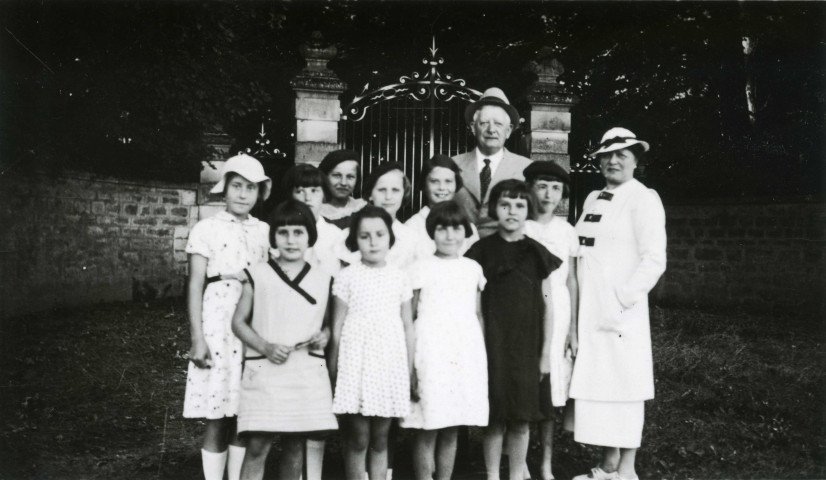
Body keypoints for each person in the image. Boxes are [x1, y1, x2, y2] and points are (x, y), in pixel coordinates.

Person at [569, 127, 666, 480]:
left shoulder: (643, 198)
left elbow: (654, 259)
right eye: (607, 156)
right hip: (589, 312)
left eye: (622, 155)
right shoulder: (593, 197)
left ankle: (627, 469)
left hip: (621, 313)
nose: (613, 161)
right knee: (602, 385)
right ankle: (608, 463)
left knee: (625, 387)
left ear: (635, 162)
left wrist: (622, 299)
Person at [230, 200, 338, 480]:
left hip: (305, 374)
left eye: (298, 232)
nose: (291, 240)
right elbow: (238, 323)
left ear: (310, 237)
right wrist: (265, 346)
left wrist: (323, 337)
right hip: (266, 372)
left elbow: (327, 325)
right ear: (274, 237)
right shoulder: (256, 275)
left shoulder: (324, 279)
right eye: (284, 232)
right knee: (257, 445)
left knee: (295, 446)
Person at [183, 153, 272, 480]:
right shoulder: (206, 228)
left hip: (251, 322)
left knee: (244, 409)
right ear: (225, 188)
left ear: (259, 192)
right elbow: (195, 284)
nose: (243, 194)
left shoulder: (264, 231)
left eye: (251, 187)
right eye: (237, 185)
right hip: (218, 322)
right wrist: (197, 337)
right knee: (218, 412)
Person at [465, 179, 561, 480]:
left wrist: (545, 353)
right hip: (492, 345)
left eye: (520, 205)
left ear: (528, 210)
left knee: (521, 418)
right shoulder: (480, 251)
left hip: (526, 347)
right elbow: (474, 305)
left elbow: (549, 307)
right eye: (505, 204)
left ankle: (517, 473)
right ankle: (493, 475)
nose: (512, 212)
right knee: (495, 418)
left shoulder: (536, 253)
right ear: (494, 208)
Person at [400, 201, 489, 480]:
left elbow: (477, 314)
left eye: (456, 228)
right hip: (430, 352)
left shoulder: (472, 268)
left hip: (463, 353)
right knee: (428, 425)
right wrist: (410, 362)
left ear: (466, 231)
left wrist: (480, 358)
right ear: (431, 232)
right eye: (442, 229)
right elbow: (409, 318)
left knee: (452, 425)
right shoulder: (419, 268)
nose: (450, 236)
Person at [328, 206, 416, 480]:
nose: (373, 241)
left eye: (380, 234)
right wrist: (333, 369)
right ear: (355, 240)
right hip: (356, 363)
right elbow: (337, 327)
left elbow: (407, 326)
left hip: (390, 363)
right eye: (365, 236)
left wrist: (409, 369)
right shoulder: (347, 276)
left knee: (381, 439)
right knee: (358, 438)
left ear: (390, 237)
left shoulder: (400, 277)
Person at [521, 161, 580, 480]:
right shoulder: (521, 225)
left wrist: (572, 329)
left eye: (555, 188)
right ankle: (517, 460)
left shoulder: (567, 231)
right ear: (529, 188)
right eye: (541, 185)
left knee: (551, 393)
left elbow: (571, 279)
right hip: (525, 311)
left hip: (558, 311)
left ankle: (544, 463)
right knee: (524, 386)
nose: (548, 194)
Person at [453, 87, 533, 239]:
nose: (491, 130)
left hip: (505, 255)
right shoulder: (453, 166)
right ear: (473, 127)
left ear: (508, 131)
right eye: (484, 123)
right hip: (459, 252)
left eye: (498, 124)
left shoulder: (526, 168)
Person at [335, 162, 418, 270]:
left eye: (395, 190)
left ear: (404, 193)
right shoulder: (346, 235)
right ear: (370, 194)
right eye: (382, 190)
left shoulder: (412, 239)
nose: (388, 197)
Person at [405, 154, 481, 259]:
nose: (442, 187)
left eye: (448, 181)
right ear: (424, 184)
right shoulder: (411, 227)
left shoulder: (468, 227)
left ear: (456, 184)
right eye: (434, 181)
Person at [284, 163, 345, 277]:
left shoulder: (335, 235)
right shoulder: (282, 232)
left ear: (324, 195)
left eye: (314, 191)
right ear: (290, 196)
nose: (307, 198)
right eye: (300, 191)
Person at [318, 149, 368, 229]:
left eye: (350, 177)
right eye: (337, 175)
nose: (343, 183)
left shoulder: (365, 210)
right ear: (324, 177)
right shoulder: (314, 212)